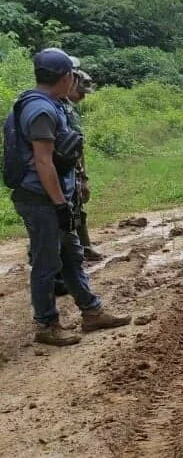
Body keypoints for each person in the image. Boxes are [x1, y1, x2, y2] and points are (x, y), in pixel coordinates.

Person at [6, 49, 130, 346]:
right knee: (47, 263)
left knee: (72, 257)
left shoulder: (51, 104)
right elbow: (44, 162)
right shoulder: (41, 111)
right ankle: (46, 324)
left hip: (52, 197)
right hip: (41, 199)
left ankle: (92, 311)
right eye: (73, 77)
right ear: (65, 77)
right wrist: (60, 204)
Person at [64, 68, 103, 261]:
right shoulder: (57, 110)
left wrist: (83, 176)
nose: (83, 97)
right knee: (63, 215)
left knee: (78, 209)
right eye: (80, 92)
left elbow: (78, 147)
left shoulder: (68, 110)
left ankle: (84, 247)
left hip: (72, 170)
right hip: (61, 173)